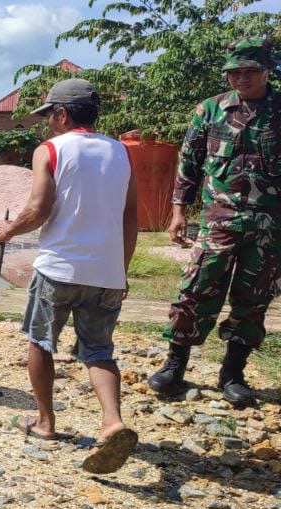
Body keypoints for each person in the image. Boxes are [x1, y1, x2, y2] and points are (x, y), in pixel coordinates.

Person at [0, 78, 140, 474]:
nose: (47, 124)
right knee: (98, 350)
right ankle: (112, 422)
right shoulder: (122, 153)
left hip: (59, 267)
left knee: (40, 342)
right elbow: (131, 217)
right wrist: (120, 271)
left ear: (62, 114)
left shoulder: (51, 150)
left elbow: (39, 209)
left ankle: (45, 422)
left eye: (49, 115)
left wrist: (7, 231)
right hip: (106, 272)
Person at [148, 36, 280, 408]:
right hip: (217, 221)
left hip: (270, 227)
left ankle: (233, 374)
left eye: (249, 71)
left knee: (253, 301)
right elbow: (189, 164)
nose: (240, 78)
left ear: (267, 70)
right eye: (233, 72)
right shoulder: (210, 110)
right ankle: (175, 366)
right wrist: (178, 211)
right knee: (195, 290)